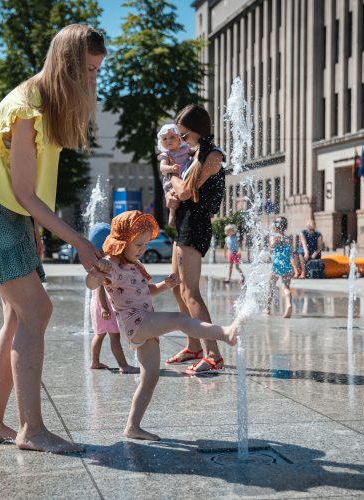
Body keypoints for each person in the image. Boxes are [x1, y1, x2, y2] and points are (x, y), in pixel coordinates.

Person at [0, 25, 107, 454]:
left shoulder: (47, 103)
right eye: (88, 70)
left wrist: (35, 229)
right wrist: (79, 241)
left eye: (98, 70)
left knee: (19, 316)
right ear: (67, 66)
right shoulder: (26, 110)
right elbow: (22, 191)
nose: (93, 80)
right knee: (37, 309)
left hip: (6, 209)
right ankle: (31, 430)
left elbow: (27, 190)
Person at [85, 210, 241, 441]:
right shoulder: (111, 264)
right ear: (121, 241)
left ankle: (132, 426)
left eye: (145, 244)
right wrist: (97, 273)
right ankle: (224, 333)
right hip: (137, 324)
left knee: (151, 377)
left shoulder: (131, 265)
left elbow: (146, 292)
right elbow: (91, 283)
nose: (142, 249)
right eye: (137, 244)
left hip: (144, 327)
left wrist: (165, 285)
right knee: (179, 320)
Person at [163, 104, 228, 374]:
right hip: (184, 222)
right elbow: (179, 194)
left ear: (197, 131)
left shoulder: (212, 156)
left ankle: (213, 353)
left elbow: (187, 193)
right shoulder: (194, 153)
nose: (180, 138)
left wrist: (172, 173)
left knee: (191, 290)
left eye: (183, 133)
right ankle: (194, 346)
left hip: (197, 224)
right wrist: (172, 192)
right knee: (176, 287)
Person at [88, 223, 139, 374]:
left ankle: (95, 361)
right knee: (114, 336)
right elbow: (100, 288)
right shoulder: (104, 264)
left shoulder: (97, 263)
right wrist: (104, 307)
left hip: (97, 305)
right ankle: (124, 366)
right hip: (104, 305)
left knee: (100, 333)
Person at [157, 124, 193, 227]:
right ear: (161, 143)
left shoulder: (186, 148)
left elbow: (194, 154)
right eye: (165, 139)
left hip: (185, 178)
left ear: (179, 138)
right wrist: (171, 168)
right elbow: (162, 168)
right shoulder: (166, 155)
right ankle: (172, 215)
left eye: (172, 137)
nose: (168, 141)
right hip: (172, 182)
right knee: (174, 196)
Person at [265, 216, 293, 319]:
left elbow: (271, 247)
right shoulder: (287, 238)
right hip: (287, 265)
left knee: (271, 286)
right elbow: (291, 253)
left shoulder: (274, 236)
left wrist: (270, 248)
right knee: (286, 287)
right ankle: (289, 304)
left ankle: (267, 308)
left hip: (276, 265)